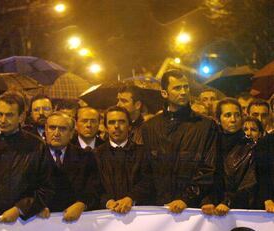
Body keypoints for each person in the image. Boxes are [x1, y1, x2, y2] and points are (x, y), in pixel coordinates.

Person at [138, 70, 218, 214]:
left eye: (186, 87)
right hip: (159, 208)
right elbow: (146, 170)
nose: (183, 92)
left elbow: (208, 168)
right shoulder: (149, 127)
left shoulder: (206, 125)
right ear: (164, 93)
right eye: (177, 88)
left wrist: (185, 199)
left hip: (194, 209)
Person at [0, 92, 53, 223]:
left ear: (21, 117)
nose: (2, 120)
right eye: (0, 114)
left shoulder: (37, 146)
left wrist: (20, 209)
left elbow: (47, 186)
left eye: (9, 115)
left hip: (25, 223)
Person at [39, 112, 99, 221]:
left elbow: (94, 188)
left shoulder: (86, 157)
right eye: (52, 128)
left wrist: (82, 204)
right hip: (40, 223)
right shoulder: (34, 156)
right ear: (46, 131)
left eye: (62, 129)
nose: (56, 133)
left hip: (75, 222)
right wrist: (35, 206)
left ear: (71, 133)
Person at [94, 106, 146, 213]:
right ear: (105, 127)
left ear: (129, 126)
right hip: (105, 216)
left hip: (136, 215)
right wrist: (107, 202)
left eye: (121, 122)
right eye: (112, 122)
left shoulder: (143, 153)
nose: (117, 126)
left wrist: (131, 198)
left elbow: (147, 181)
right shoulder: (95, 155)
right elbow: (93, 185)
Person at [212, 98, 257, 215]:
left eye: (237, 115)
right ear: (218, 119)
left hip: (238, 211)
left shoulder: (251, 147)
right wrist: (206, 200)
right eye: (227, 115)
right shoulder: (210, 144)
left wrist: (228, 202)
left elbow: (250, 183)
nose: (233, 120)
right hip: (210, 208)